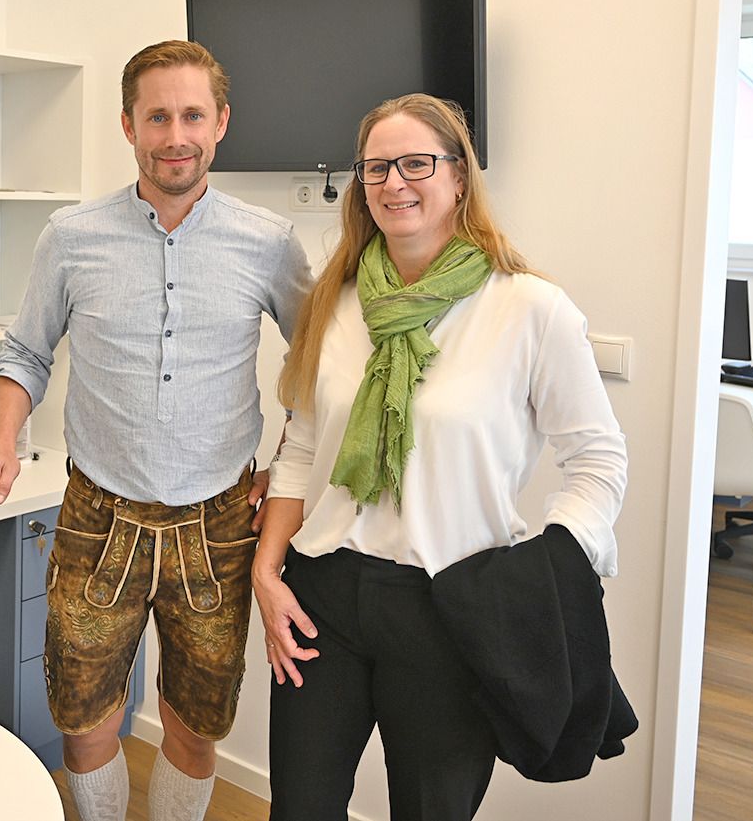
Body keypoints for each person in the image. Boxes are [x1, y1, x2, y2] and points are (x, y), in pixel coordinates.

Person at [0, 39, 313, 821]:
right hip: (98, 518)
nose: (175, 135)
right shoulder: (70, 235)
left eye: (192, 115)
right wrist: (0, 444)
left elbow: (320, 366)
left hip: (218, 525)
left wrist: (289, 463)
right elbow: (25, 351)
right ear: (128, 125)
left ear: (221, 123)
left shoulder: (269, 242)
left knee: (194, 728)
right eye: (157, 117)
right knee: (84, 722)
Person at [252, 93, 627, 821]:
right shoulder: (335, 302)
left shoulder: (529, 308)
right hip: (323, 595)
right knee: (298, 807)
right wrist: (268, 573)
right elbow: (301, 448)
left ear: (459, 176)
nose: (393, 182)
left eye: (416, 163)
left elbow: (598, 456)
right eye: (375, 168)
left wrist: (554, 562)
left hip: (452, 606)